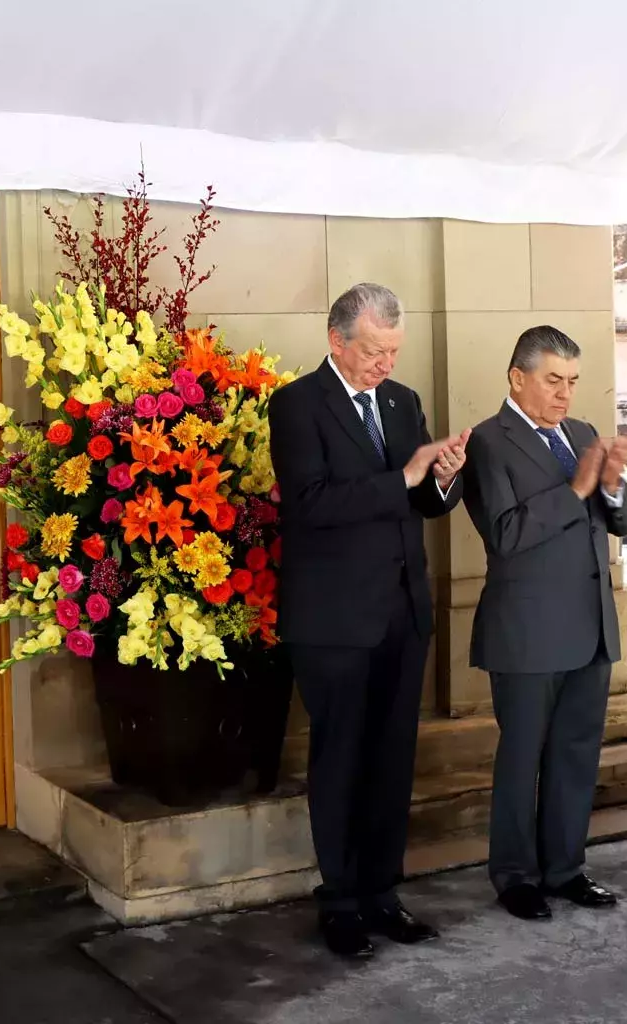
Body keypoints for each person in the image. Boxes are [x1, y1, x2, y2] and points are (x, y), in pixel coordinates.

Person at [267, 282, 468, 959]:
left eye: (394, 352)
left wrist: (443, 476)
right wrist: (406, 478)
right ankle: (342, 902)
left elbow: (425, 503)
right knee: (342, 758)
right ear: (337, 340)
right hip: (334, 620)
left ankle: (384, 892)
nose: (386, 364)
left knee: (392, 761)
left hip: (401, 613)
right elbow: (310, 504)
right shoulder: (297, 404)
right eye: (376, 352)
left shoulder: (402, 401)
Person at [459, 326, 627, 921]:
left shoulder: (583, 433)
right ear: (517, 378)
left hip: (590, 625)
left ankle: (565, 869)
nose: (565, 394)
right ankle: (514, 876)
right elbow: (506, 534)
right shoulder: (490, 441)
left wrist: (613, 488)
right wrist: (579, 487)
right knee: (523, 757)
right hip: (528, 630)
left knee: (577, 753)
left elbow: (625, 519)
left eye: (573, 382)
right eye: (553, 380)